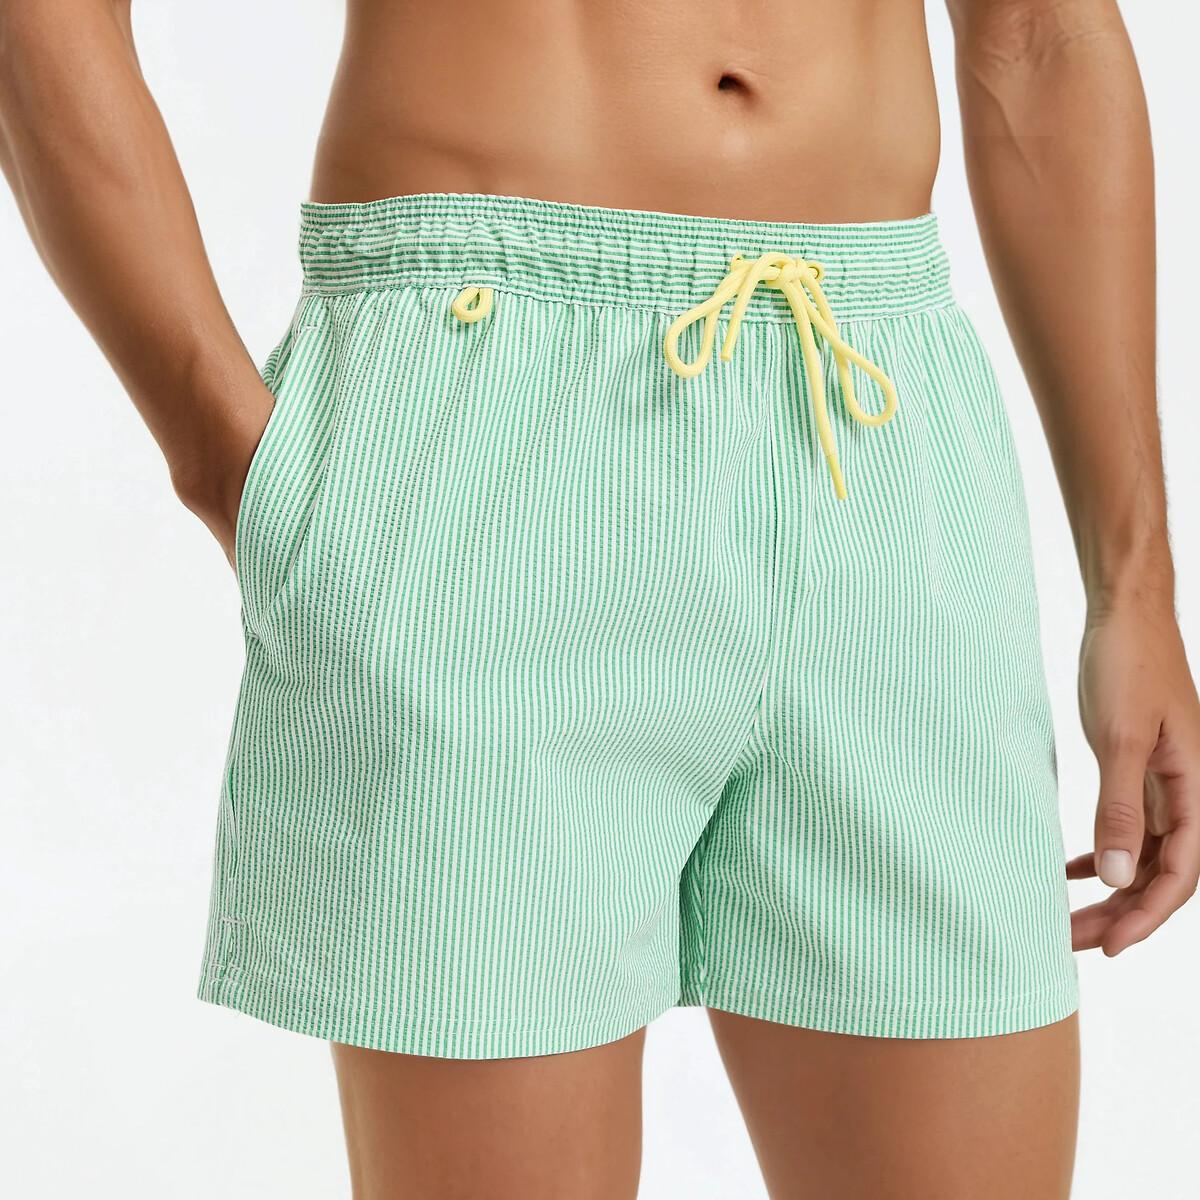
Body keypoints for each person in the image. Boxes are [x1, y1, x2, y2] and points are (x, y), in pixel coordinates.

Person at [2, 1, 1197, 1196]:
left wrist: (1134, 582)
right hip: (485, 402)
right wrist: (223, 454)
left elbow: (1037, 33)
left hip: (872, 413)